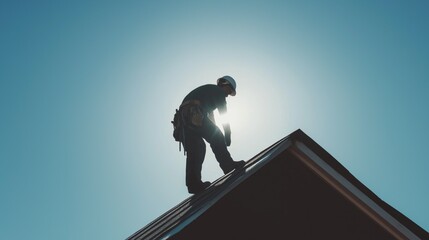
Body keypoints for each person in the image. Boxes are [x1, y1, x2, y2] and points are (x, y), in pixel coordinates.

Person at [178, 76, 245, 194]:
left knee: (197, 148)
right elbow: (223, 114)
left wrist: (217, 133)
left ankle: (193, 184)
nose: (227, 95)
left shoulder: (208, 93)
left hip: (184, 120)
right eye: (229, 91)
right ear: (224, 85)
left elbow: (211, 119)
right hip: (193, 113)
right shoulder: (218, 92)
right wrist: (227, 135)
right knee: (217, 137)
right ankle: (228, 165)